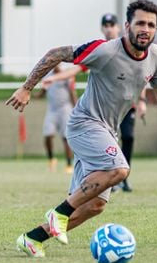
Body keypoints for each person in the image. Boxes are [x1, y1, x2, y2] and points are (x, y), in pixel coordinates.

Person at [6, 0, 157, 258]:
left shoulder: (156, 56)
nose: (145, 29)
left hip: (107, 131)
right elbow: (56, 54)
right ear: (127, 26)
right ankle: (58, 213)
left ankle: (33, 239)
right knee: (120, 169)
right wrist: (26, 87)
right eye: (140, 23)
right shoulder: (105, 50)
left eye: (151, 25)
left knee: (96, 205)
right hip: (84, 124)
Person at [44, 12, 147, 192]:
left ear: (120, 27)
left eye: (112, 25)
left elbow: (144, 75)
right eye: (105, 26)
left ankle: (123, 178)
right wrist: (55, 78)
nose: (109, 29)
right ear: (102, 28)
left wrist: (143, 101)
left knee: (128, 137)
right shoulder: (101, 51)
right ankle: (110, 179)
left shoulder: (132, 48)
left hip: (126, 106)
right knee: (107, 144)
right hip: (103, 110)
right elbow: (76, 70)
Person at [36, 64, 77, 173]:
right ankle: (51, 159)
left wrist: (76, 109)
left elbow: (72, 93)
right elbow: (43, 91)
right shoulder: (48, 76)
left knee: (66, 137)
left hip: (65, 109)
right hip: (52, 109)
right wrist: (35, 95)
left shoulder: (66, 74)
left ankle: (69, 164)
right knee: (48, 135)